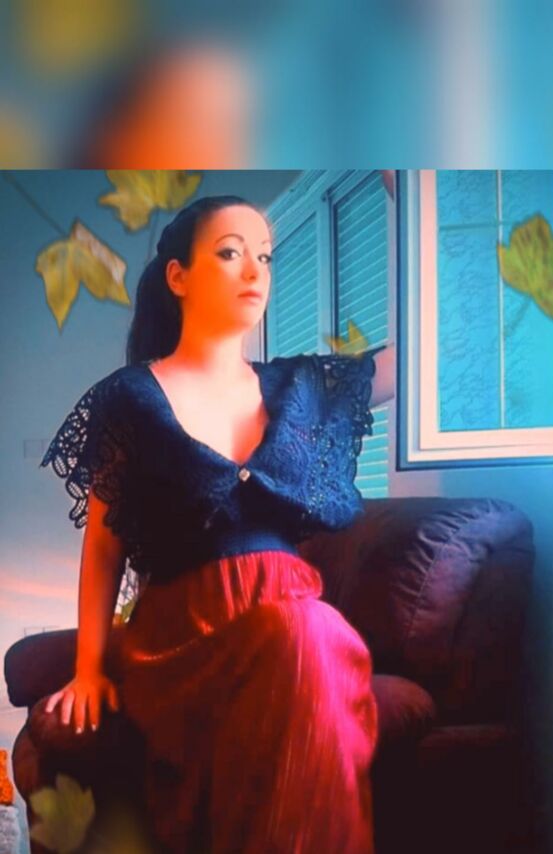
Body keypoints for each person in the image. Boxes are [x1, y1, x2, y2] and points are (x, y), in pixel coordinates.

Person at [40, 194, 395, 853]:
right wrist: (89, 668)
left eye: (265, 257)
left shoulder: (301, 388)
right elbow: (103, 547)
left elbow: (417, 353)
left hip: (300, 627)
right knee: (306, 634)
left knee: (308, 634)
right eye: (231, 253)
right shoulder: (129, 398)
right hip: (184, 641)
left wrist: (411, 200)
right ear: (178, 276)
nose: (255, 271)